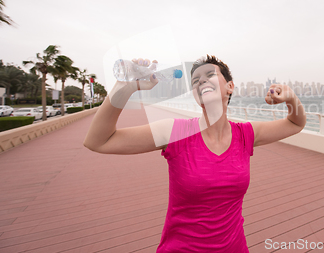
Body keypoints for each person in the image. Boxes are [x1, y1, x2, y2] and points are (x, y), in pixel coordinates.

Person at [83, 55, 306, 252]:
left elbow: (295, 124)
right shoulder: (175, 132)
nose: (201, 81)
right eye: (196, 80)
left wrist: (291, 98)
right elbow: (99, 141)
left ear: (229, 86)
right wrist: (125, 88)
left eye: (210, 74)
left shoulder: (245, 134)